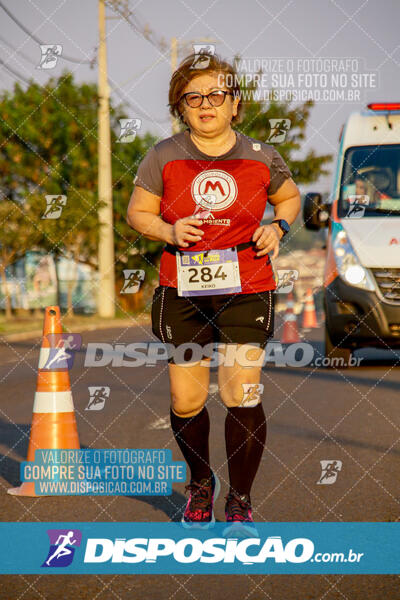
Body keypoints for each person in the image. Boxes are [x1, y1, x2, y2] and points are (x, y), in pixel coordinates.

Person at [127, 53, 301, 533]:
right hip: (182, 291)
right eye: (194, 97)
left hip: (247, 287)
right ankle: (201, 483)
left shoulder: (262, 155)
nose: (206, 104)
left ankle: (240, 499)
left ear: (235, 104)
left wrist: (279, 226)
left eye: (216, 95)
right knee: (186, 400)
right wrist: (167, 229)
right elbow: (137, 214)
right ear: (181, 106)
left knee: (240, 391)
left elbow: (289, 196)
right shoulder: (162, 154)